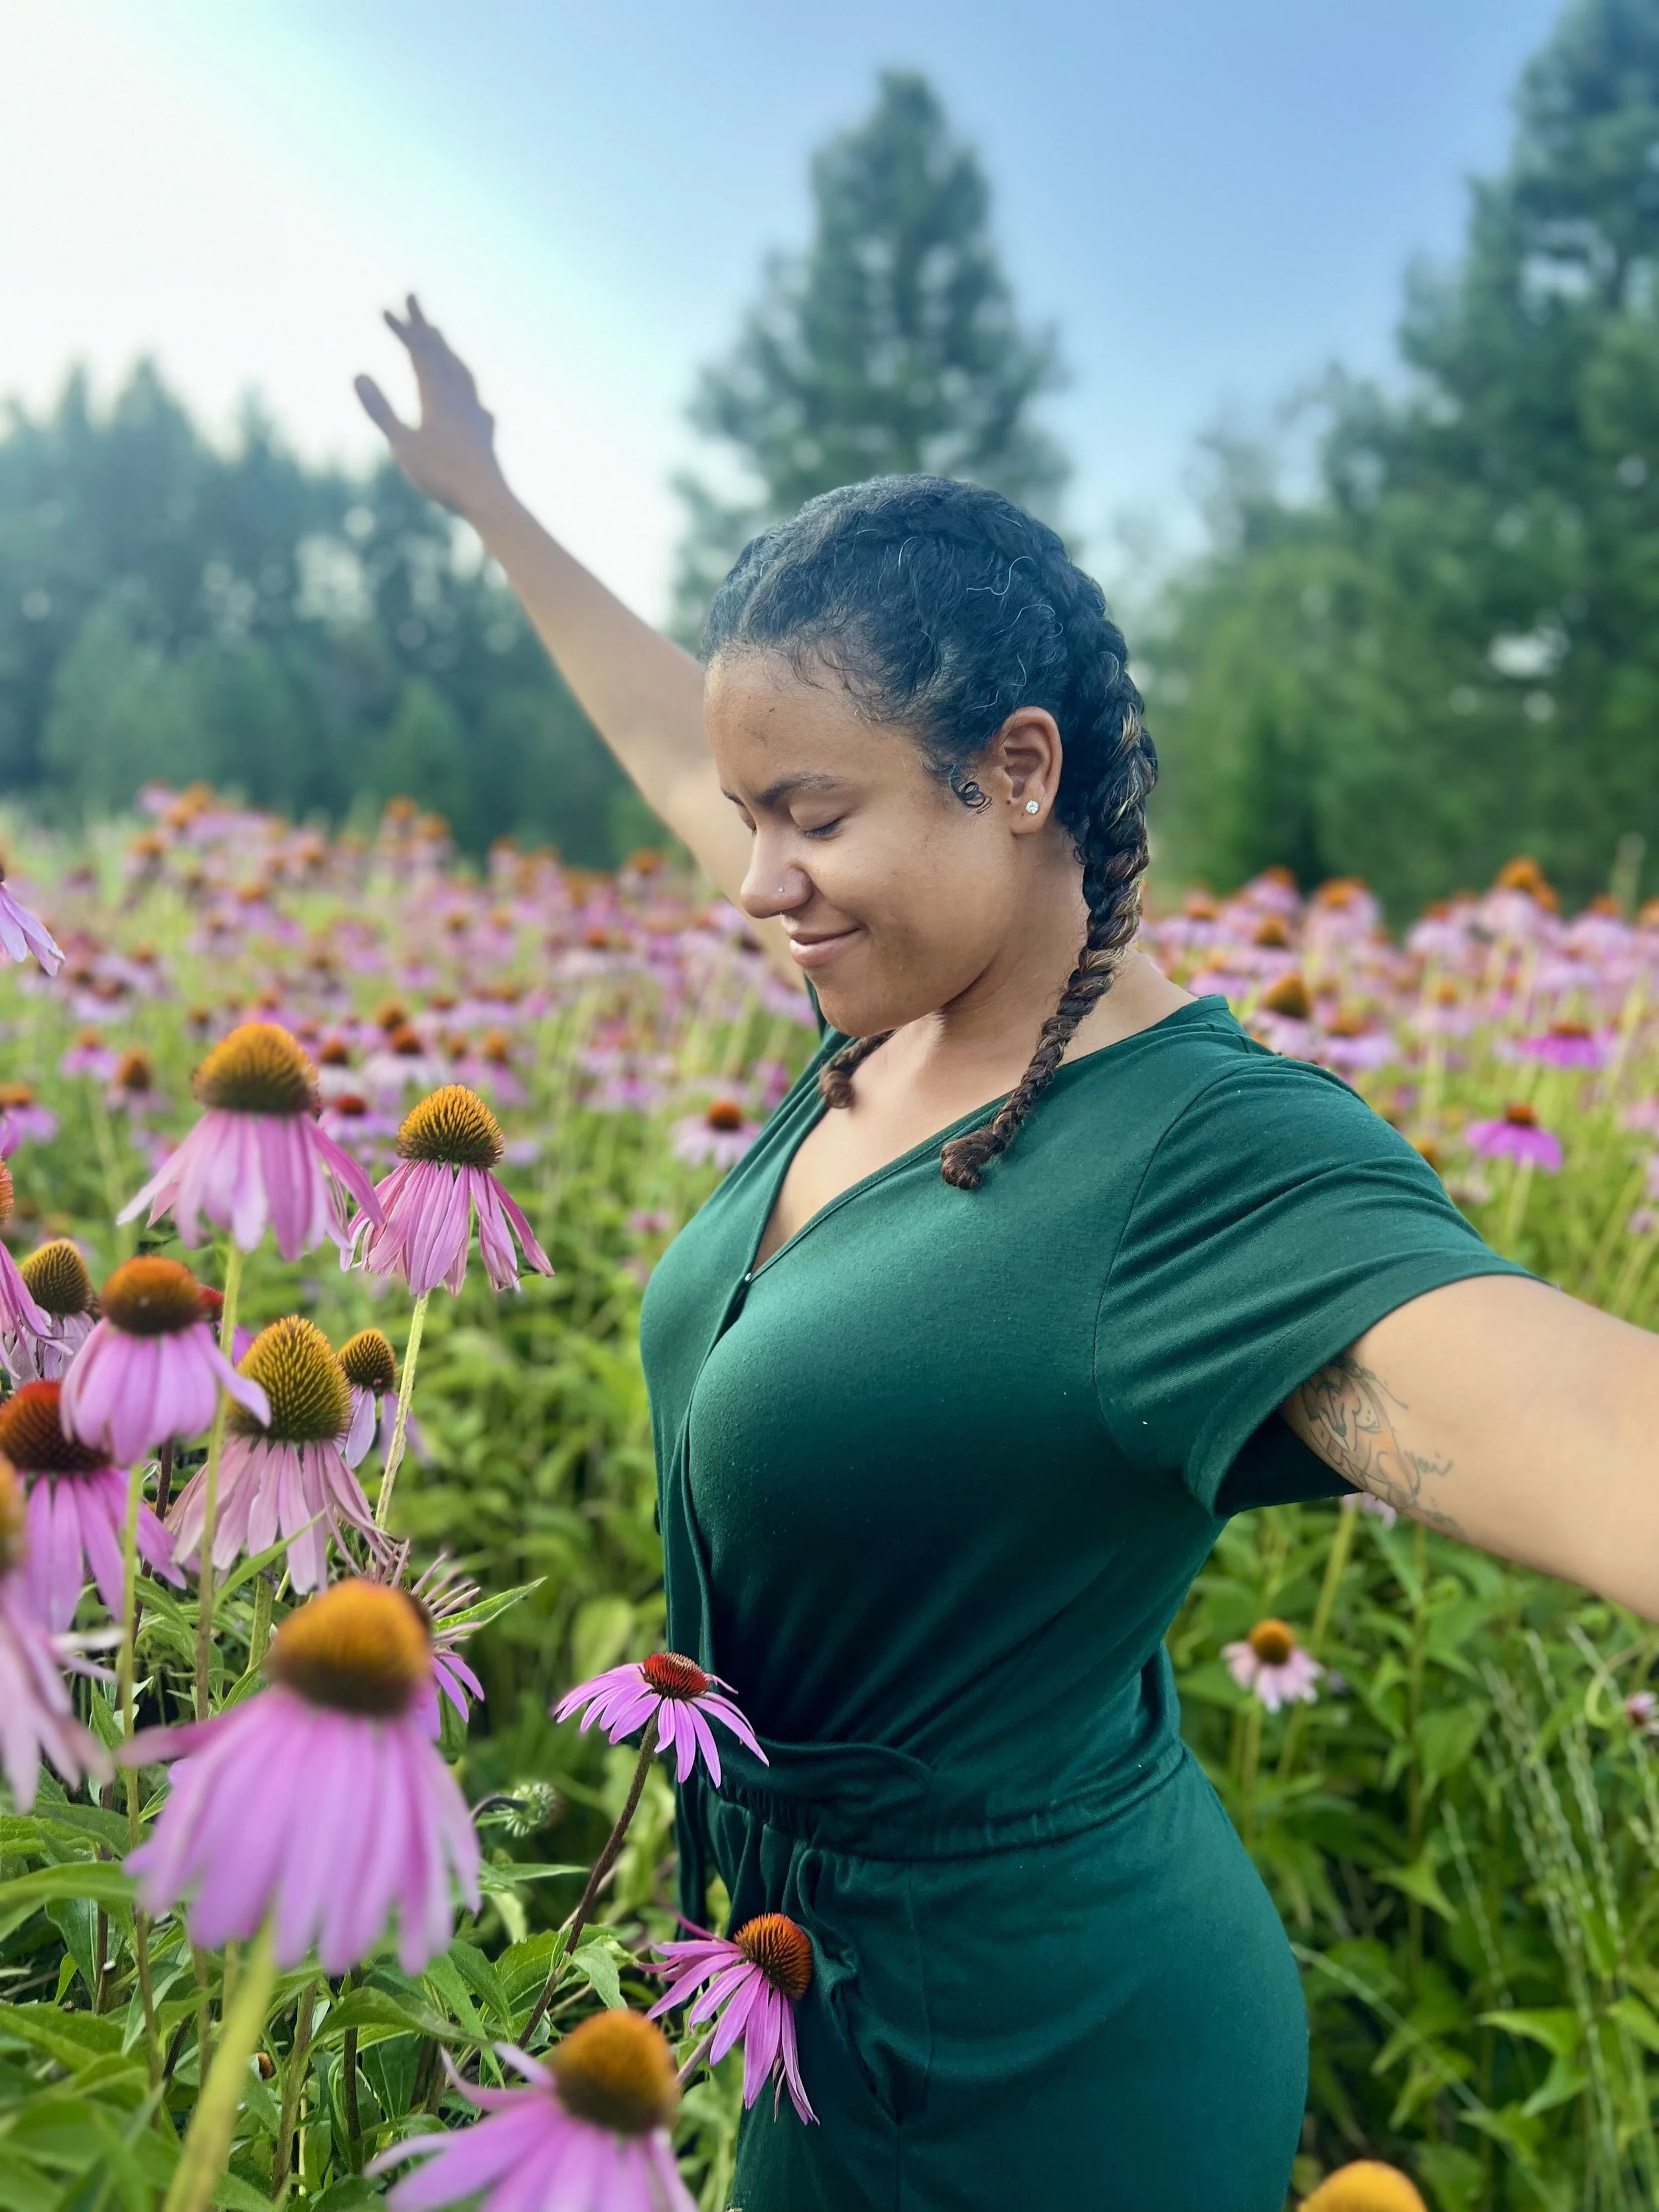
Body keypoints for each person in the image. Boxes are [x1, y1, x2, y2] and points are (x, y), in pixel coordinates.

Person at [358, 297, 1659, 2212]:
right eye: (749, 815)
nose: (752, 876)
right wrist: (483, 494)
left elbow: (1598, 1438)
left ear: (1019, 769)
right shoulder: (891, 1013)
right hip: (800, 1998)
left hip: (1041, 2069)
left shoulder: (1200, 1167)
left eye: (810, 815)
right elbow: (668, 738)